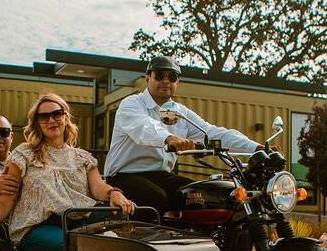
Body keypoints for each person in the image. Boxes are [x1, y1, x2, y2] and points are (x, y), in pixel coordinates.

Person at [0, 93, 136, 251]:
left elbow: (98, 188)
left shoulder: (82, 157)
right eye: (43, 117)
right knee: (70, 247)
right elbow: (6, 199)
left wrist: (114, 193)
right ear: (37, 123)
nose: (51, 120)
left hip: (78, 219)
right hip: (38, 226)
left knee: (119, 215)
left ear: (65, 117)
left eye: (56, 114)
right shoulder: (24, 154)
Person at [104, 55, 263, 215]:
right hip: (123, 175)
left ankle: (203, 237)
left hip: (161, 176)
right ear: (148, 78)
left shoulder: (180, 113)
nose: (166, 81)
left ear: (177, 82)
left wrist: (255, 147)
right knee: (154, 197)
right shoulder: (131, 104)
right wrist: (168, 138)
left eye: (172, 77)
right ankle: (143, 237)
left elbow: (211, 132)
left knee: (202, 194)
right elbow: (144, 126)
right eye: (159, 75)